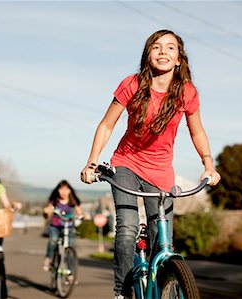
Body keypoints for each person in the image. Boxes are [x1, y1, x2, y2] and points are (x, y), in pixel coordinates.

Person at [80, 30, 221, 299]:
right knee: (127, 229)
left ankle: (165, 285)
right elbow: (107, 124)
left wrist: (208, 164)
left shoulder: (186, 93)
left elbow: (197, 132)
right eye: (156, 47)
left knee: (162, 238)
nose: (163, 52)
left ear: (179, 58)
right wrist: (92, 162)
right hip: (126, 165)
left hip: (161, 172)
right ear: (148, 55)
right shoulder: (132, 85)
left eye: (170, 47)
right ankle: (121, 291)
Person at [42, 180, 83, 271]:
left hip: (69, 226)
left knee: (71, 247)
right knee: (53, 240)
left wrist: (83, 216)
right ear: (58, 190)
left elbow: (80, 212)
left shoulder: (73, 201)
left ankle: (71, 272)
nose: (64, 192)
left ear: (70, 191)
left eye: (66, 189)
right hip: (55, 226)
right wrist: (46, 212)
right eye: (61, 189)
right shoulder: (55, 200)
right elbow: (48, 210)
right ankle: (48, 258)